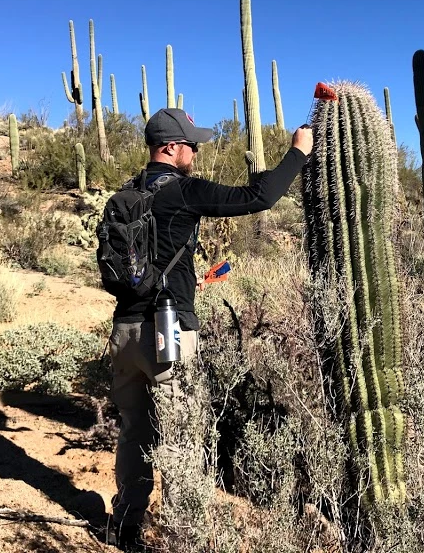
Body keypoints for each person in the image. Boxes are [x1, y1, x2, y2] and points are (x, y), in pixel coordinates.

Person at [107, 107, 313, 547]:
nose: (196, 152)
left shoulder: (123, 196)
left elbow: (136, 264)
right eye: (191, 145)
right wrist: (298, 154)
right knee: (182, 434)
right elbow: (258, 198)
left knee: (133, 429)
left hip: (124, 332)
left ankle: (124, 525)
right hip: (167, 334)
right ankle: (186, 534)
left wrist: (186, 280)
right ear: (170, 147)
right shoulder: (182, 191)